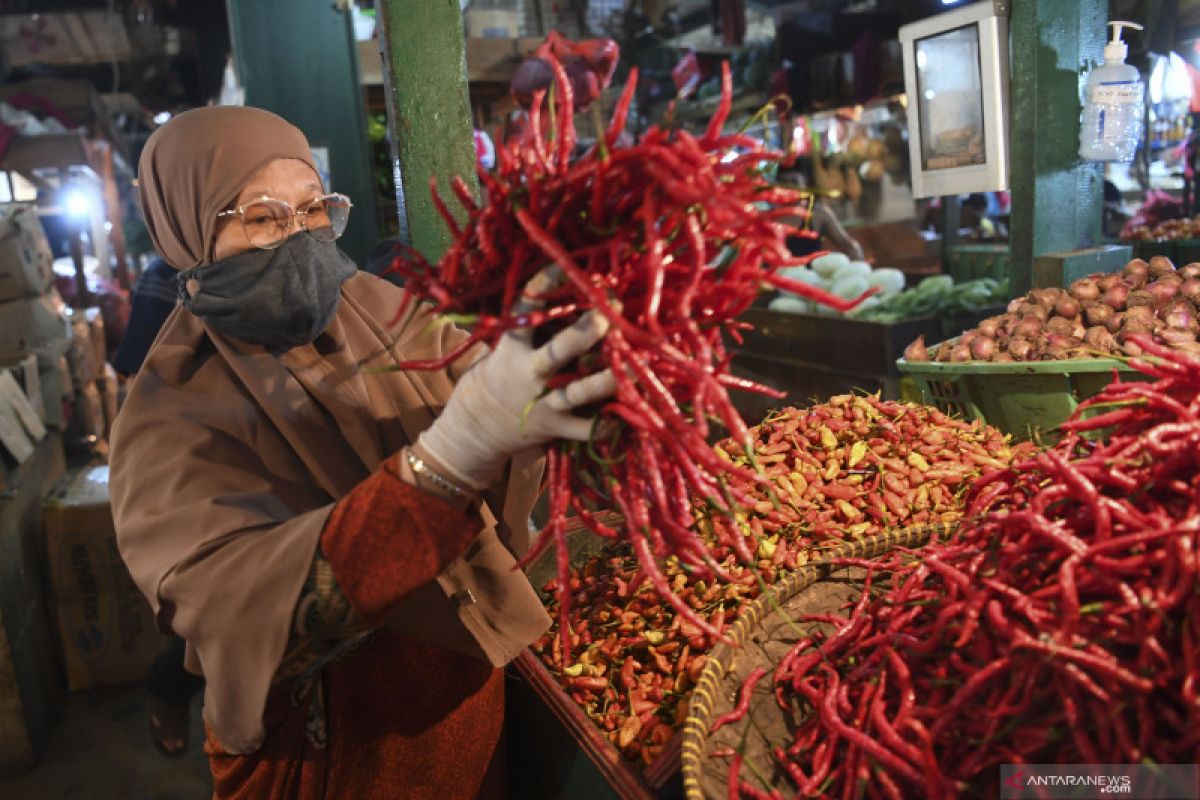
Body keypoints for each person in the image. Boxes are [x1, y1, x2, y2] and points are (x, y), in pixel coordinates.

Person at [110, 105, 615, 798]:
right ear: (189, 228)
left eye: (315, 209)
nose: (300, 237)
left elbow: (508, 425)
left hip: (465, 701)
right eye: (262, 217)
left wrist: (565, 379)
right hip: (330, 748)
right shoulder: (169, 417)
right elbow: (240, 605)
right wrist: (447, 459)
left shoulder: (387, 316)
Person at [110, 254, 207, 757]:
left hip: (259, 447)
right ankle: (171, 686)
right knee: (209, 606)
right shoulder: (168, 270)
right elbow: (134, 371)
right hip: (190, 456)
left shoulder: (284, 254)